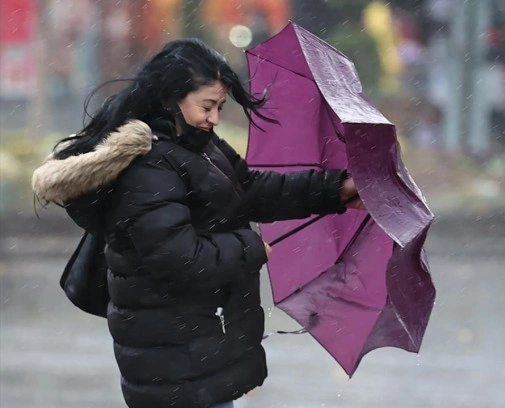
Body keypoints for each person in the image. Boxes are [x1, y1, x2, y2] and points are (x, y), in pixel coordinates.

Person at [31, 38, 362, 408]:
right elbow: (180, 258)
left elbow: (249, 189)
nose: (215, 118)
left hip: (196, 350)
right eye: (207, 106)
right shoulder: (149, 165)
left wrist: (334, 190)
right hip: (172, 362)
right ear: (171, 97)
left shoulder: (195, 144)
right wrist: (250, 248)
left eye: (220, 106)